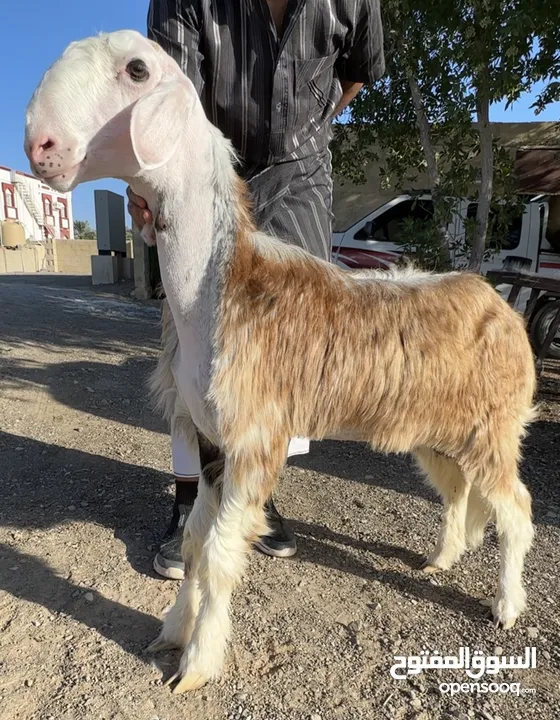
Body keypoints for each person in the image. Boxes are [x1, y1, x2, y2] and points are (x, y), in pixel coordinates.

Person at [128, 0, 385, 580]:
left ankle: (255, 493)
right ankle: (193, 497)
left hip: (302, 173)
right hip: (207, 167)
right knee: (192, 336)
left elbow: (360, 67)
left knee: (287, 342)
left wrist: (314, 128)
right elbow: (167, 94)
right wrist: (151, 183)